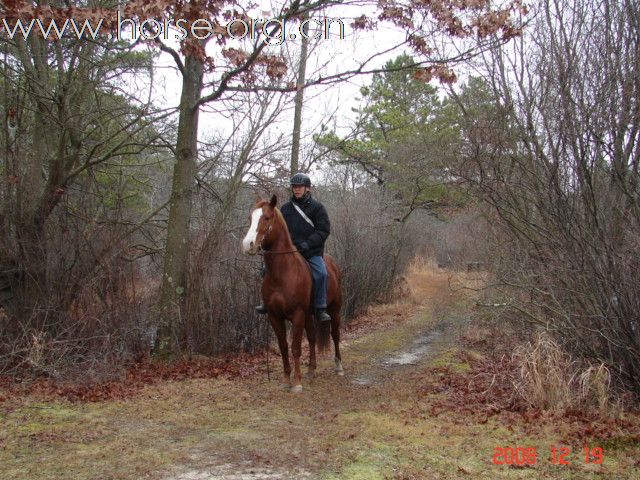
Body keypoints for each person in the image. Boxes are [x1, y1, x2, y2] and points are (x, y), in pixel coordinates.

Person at [256, 173, 332, 322]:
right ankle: (266, 302)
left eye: (300, 187)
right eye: (294, 187)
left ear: (307, 189)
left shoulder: (318, 208)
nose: (296, 190)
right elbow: (278, 231)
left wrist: (308, 243)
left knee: (322, 273)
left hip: (311, 251)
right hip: (290, 251)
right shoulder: (285, 209)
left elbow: (323, 230)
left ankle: (320, 307)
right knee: (266, 271)